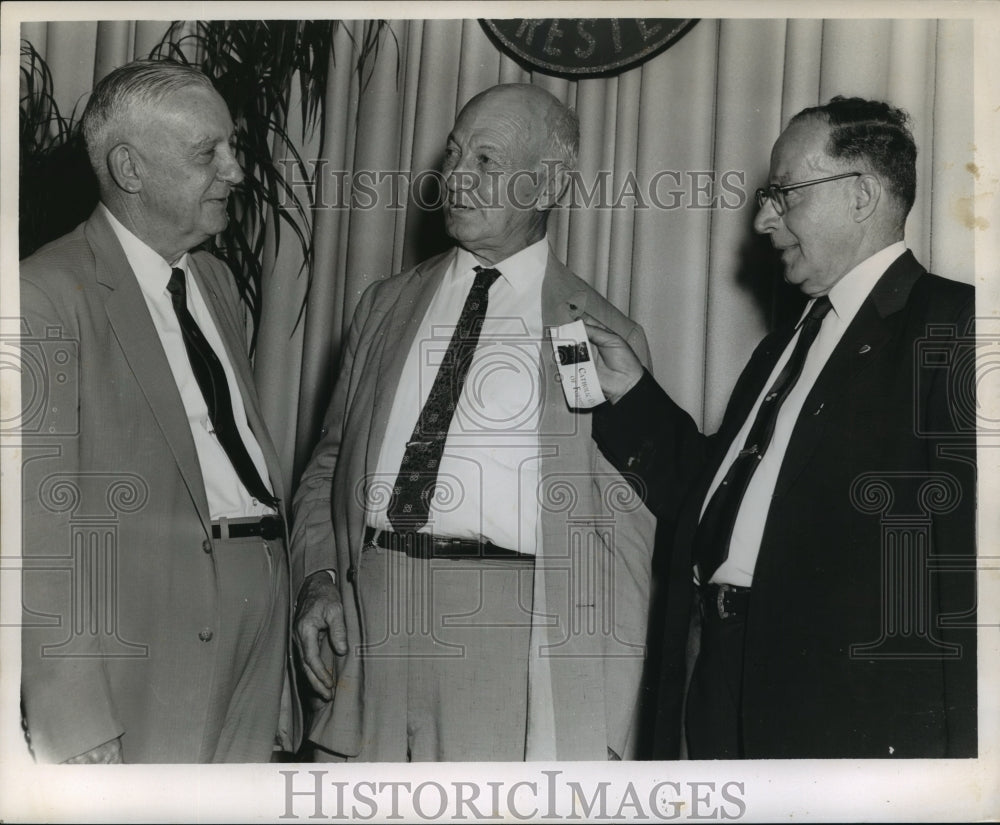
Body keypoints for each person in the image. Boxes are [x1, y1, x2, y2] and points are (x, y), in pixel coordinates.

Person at [582, 97, 977, 759]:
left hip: (841, 711)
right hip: (717, 678)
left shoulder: (955, 326)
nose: (764, 219)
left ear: (862, 194)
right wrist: (629, 393)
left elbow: (967, 576)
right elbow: (710, 502)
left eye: (784, 193)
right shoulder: (787, 343)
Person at [290, 83, 656, 761]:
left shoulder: (595, 333)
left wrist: (608, 722)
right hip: (365, 632)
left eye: (486, 161)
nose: (455, 177)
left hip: (504, 644)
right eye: (455, 154)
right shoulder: (384, 305)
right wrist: (318, 578)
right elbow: (326, 465)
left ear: (547, 182)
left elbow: (621, 547)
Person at [19, 59, 299, 763]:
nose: (236, 170)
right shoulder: (45, 293)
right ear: (130, 169)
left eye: (230, 147)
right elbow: (31, 528)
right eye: (209, 153)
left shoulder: (214, 279)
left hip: (256, 610)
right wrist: (72, 713)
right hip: (144, 635)